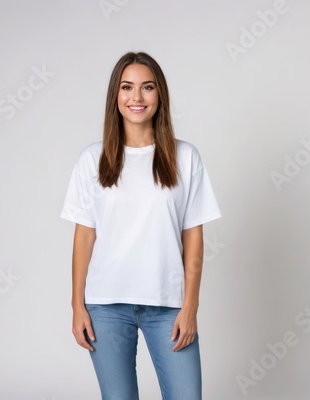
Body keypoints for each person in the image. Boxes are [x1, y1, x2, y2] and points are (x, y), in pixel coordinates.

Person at [60, 51, 222, 399]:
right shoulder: (93, 159)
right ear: (115, 96)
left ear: (159, 94)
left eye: (147, 87)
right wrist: (77, 305)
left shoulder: (185, 157)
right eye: (127, 87)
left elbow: (193, 237)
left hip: (168, 304)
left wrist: (190, 306)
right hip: (105, 305)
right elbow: (84, 236)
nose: (137, 97)